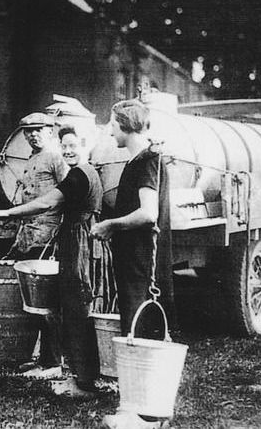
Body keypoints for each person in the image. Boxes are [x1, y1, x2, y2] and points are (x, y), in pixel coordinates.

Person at [0, 124, 111, 398]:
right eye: (64, 146)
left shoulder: (79, 175)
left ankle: (82, 381)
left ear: (85, 144)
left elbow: (46, 204)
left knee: (76, 307)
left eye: (73, 145)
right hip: (78, 237)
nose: (68, 151)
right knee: (74, 306)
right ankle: (76, 374)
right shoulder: (86, 171)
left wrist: (7, 213)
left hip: (79, 241)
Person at [90, 99, 173, 429]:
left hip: (143, 262)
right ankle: (149, 409)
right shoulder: (143, 158)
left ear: (124, 125)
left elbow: (147, 213)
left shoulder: (146, 161)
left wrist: (110, 226)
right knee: (146, 329)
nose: (109, 130)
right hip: (136, 260)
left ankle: (143, 415)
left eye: (112, 124)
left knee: (141, 328)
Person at [9, 112, 70, 380]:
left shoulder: (57, 157)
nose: (33, 135)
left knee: (49, 303)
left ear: (50, 130)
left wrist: (60, 232)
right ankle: (43, 359)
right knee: (36, 302)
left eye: (38, 130)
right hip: (30, 235)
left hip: (49, 236)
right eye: (28, 131)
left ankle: (53, 362)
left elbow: (69, 194)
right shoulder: (33, 158)